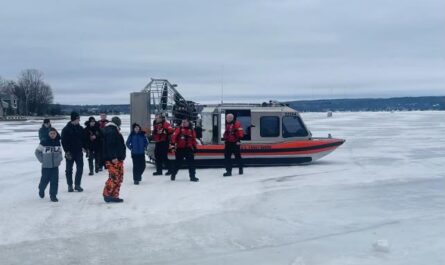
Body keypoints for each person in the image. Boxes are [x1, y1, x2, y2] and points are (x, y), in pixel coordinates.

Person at [35, 128, 63, 202]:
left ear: (56, 134)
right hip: (46, 166)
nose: (53, 135)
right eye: (51, 133)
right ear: (48, 134)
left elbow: (60, 152)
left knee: (54, 181)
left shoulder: (58, 142)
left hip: (55, 166)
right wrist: (42, 160)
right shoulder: (44, 142)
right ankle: (41, 188)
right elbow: (37, 152)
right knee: (45, 179)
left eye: (54, 133)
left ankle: (53, 195)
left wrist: (59, 159)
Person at [102, 116, 126, 203]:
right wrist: (113, 157)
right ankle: (107, 194)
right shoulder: (111, 131)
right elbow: (110, 146)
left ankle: (114, 195)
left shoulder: (112, 130)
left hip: (117, 159)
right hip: (113, 159)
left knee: (118, 177)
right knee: (115, 177)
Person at [61, 111, 85, 192]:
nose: (79, 120)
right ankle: (70, 185)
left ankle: (77, 185)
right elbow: (63, 141)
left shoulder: (80, 128)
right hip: (69, 152)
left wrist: (85, 147)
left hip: (79, 152)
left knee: (80, 169)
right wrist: (66, 151)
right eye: (78, 118)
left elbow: (84, 139)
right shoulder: (66, 129)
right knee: (68, 170)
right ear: (74, 119)